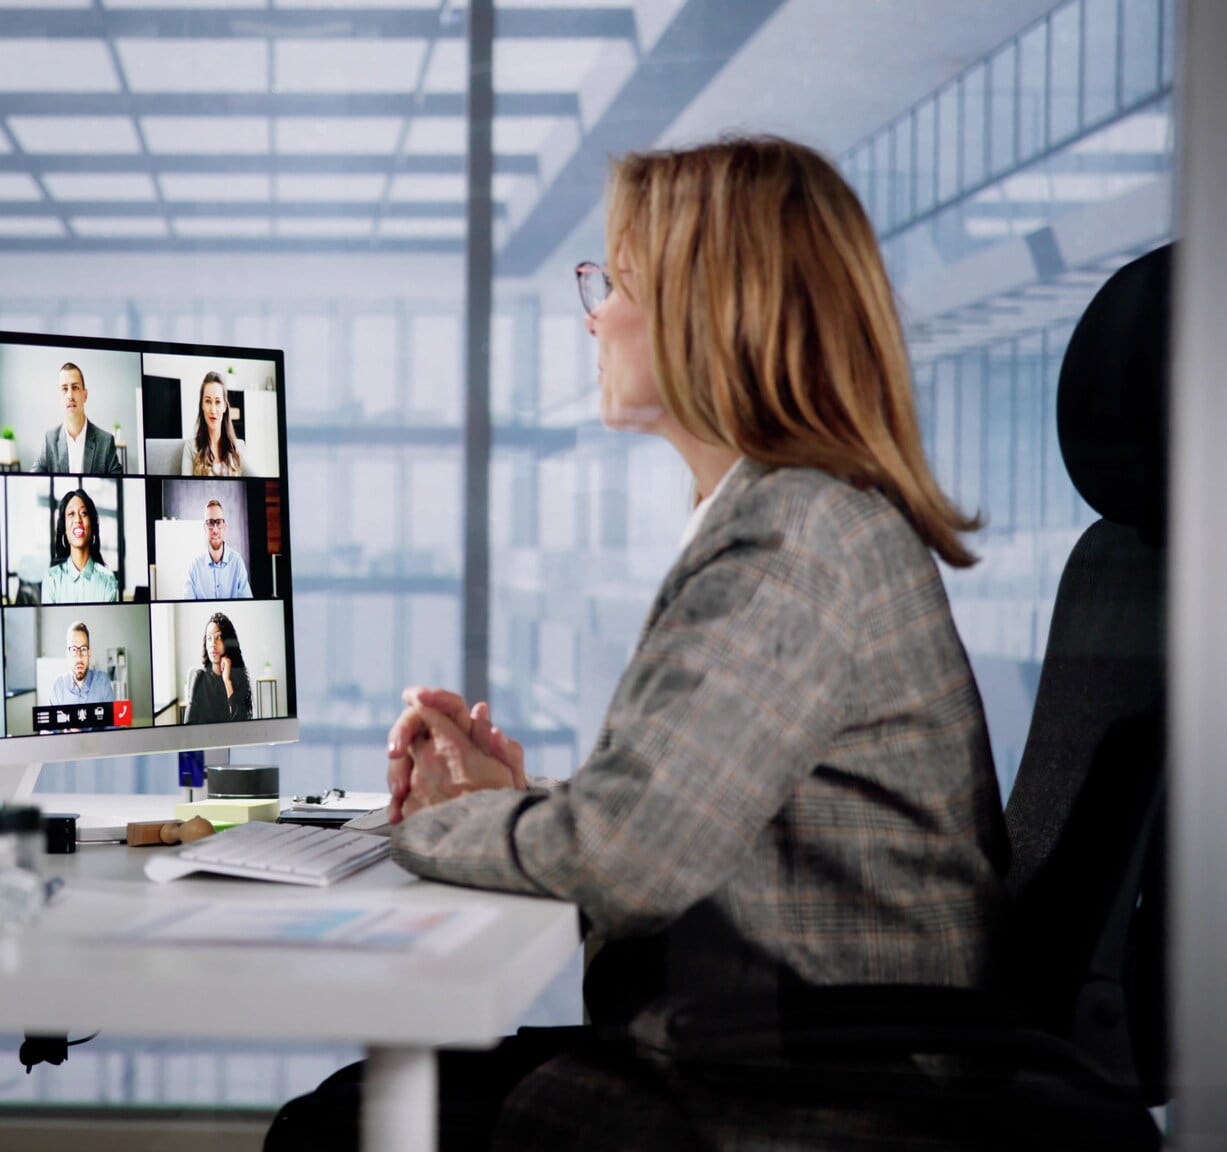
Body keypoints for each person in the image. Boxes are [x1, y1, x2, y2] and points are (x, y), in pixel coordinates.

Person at [268, 137, 1005, 1151]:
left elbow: (629, 858)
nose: (592, 315)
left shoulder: (793, 537)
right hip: (788, 1051)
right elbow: (673, 811)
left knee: (338, 1129)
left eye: (614, 282)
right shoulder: (800, 517)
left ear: (710, 311)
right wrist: (510, 809)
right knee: (356, 1108)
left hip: (812, 1095)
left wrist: (430, 828)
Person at [32, 362, 123, 475]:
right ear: (59, 397)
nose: (70, 395)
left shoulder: (106, 441)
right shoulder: (49, 440)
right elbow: (33, 480)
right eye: (64, 389)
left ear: (85, 395)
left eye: (75, 387)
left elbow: (118, 486)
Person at [42, 488, 120, 603]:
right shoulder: (51, 578)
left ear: (92, 525)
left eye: (83, 513)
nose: (78, 520)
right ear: (64, 528)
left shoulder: (108, 580)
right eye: (71, 514)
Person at [183, 612, 251, 724]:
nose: (212, 644)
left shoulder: (238, 678)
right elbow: (188, 725)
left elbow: (241, 725)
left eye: (218, 637)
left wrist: (227, 681)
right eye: (209, 638)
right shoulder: (199, 678)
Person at [183, 498, 252, 600]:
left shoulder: (237, 562)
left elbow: (247, 604)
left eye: (219, 522)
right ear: (204, 528)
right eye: (210, 522)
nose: (215, 530)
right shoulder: (194, 566)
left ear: (224, 527)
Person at [180, 371, 242, 477]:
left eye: (217, 402)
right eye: (208, 401)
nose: (213, 410)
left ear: (224, 407)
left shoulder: (238, 447)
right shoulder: (190, 447)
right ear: (202, 406)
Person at [47, 620, 115, 706]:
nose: (79, 657)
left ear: (89, 653)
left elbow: (113, 718)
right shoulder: (58, 687)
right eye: (74, 650)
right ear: (67, 654)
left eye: (83, 649)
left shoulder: (102, 682)